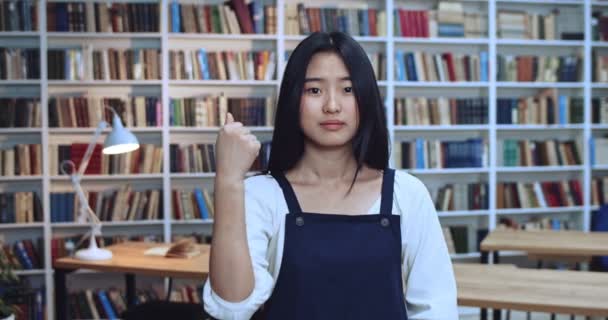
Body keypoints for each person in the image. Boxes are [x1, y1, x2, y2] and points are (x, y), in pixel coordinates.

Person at [203, 31, 458, 319]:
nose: (332, 105)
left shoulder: (406, 193)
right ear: (292, 100)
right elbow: (231, 307)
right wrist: (228, 179)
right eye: (314, 90)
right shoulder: (263, 194)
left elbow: (438, 309)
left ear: (366, 97)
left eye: (348, 90)